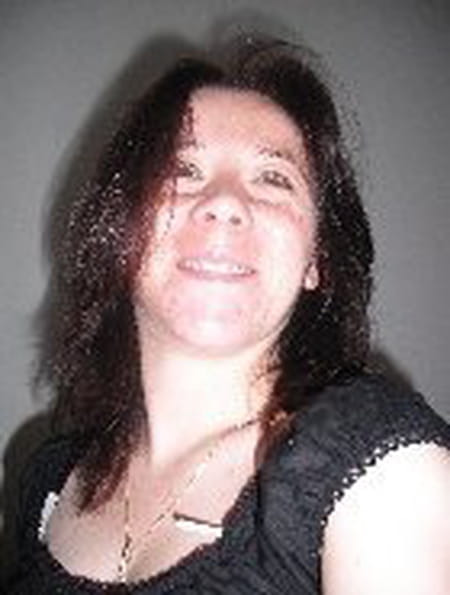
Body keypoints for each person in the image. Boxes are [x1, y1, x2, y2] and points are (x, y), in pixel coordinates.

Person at [7, 35, 450, 594]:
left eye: (273, 178)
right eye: (182, 169)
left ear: (316, 260)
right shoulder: (47, 479)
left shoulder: (380, 469)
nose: (224, 201)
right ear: (121, 230)